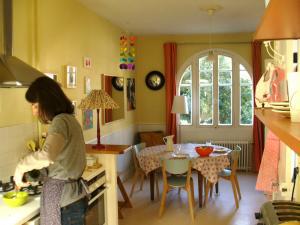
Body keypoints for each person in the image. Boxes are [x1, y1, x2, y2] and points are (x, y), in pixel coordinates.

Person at [14, 76, 87, 225]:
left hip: (66, 203)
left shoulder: (60, 121)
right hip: (73, 198)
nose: (34, 112)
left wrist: (21, 167)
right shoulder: (69, 119)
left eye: (35, 106)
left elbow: (47, 156)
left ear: (47, 102)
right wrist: (33, 175)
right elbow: (60, 165)